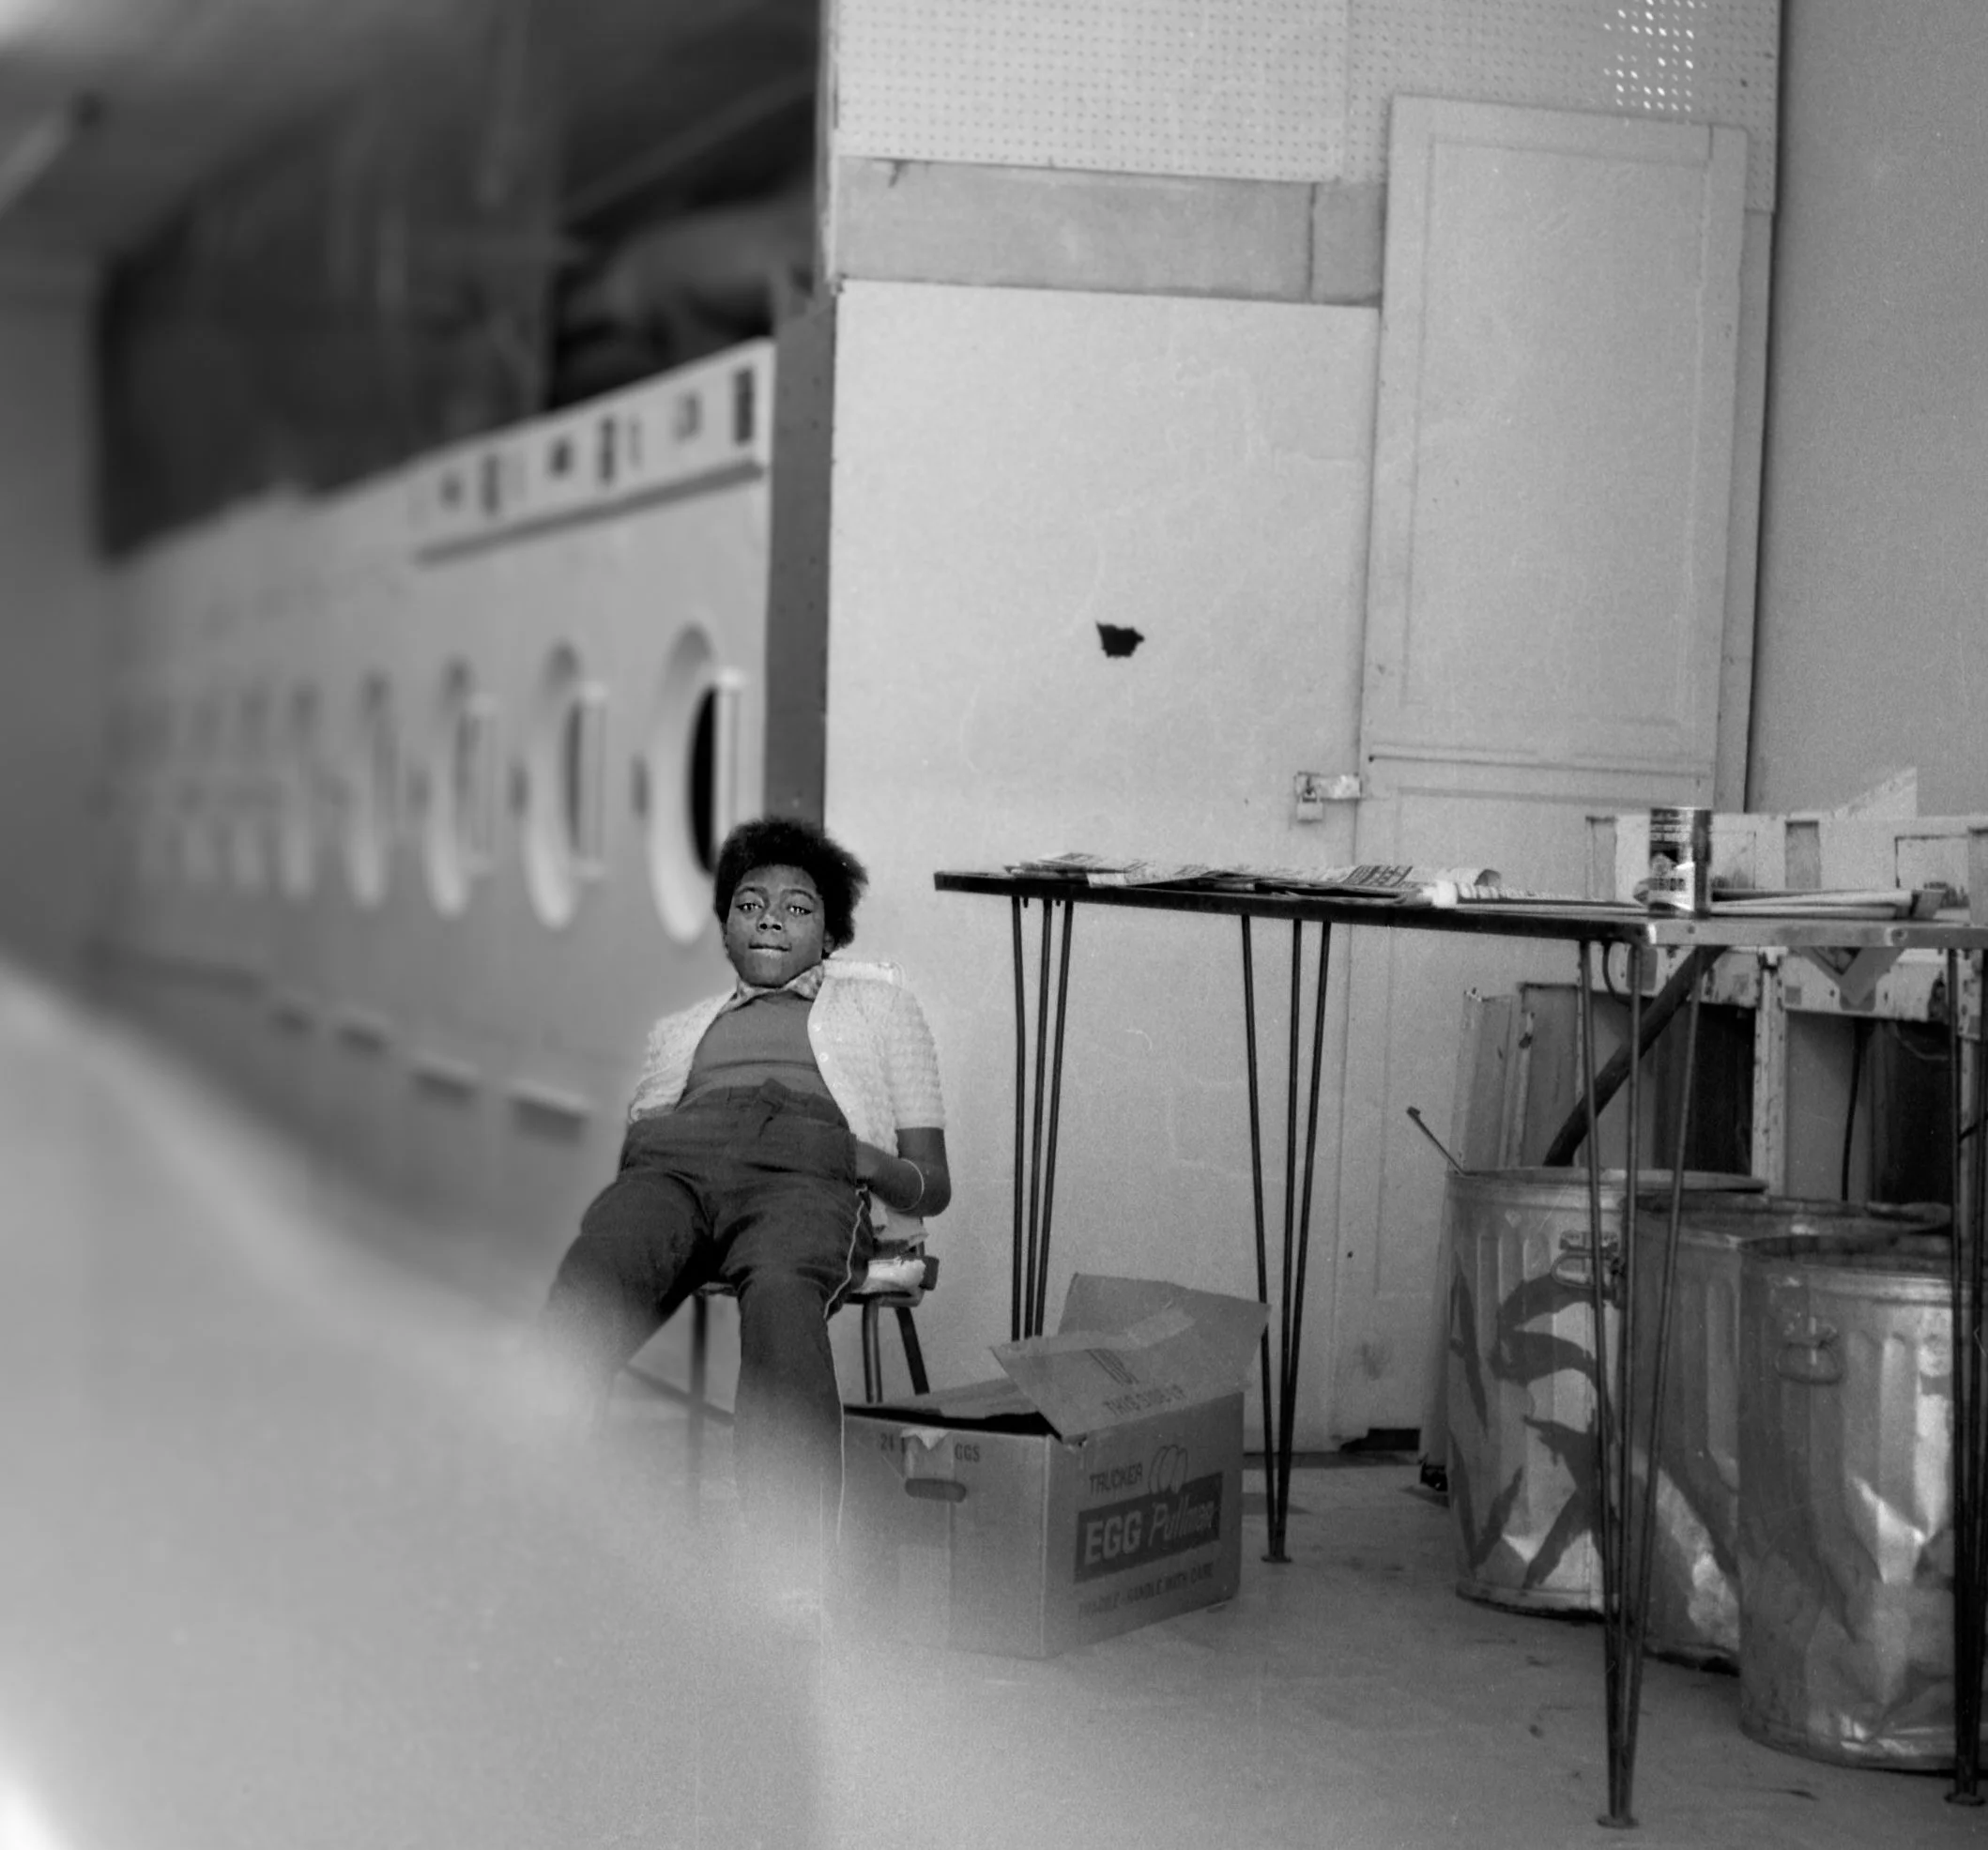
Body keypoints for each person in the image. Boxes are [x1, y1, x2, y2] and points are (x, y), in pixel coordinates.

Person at [541, 816, 949, 1572]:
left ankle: (787, 1575)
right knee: (594, 1276)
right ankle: (538, 1523)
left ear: (831, 937)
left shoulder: (883, 1010)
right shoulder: (681, 1029)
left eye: (798, 907)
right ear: (725, 927)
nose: (769, 916)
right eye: (749, 903)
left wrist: (856, 1157)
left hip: (805, 1163)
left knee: (785, 1300)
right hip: (675, 1162)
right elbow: (646, 1135)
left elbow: (931, 1186)